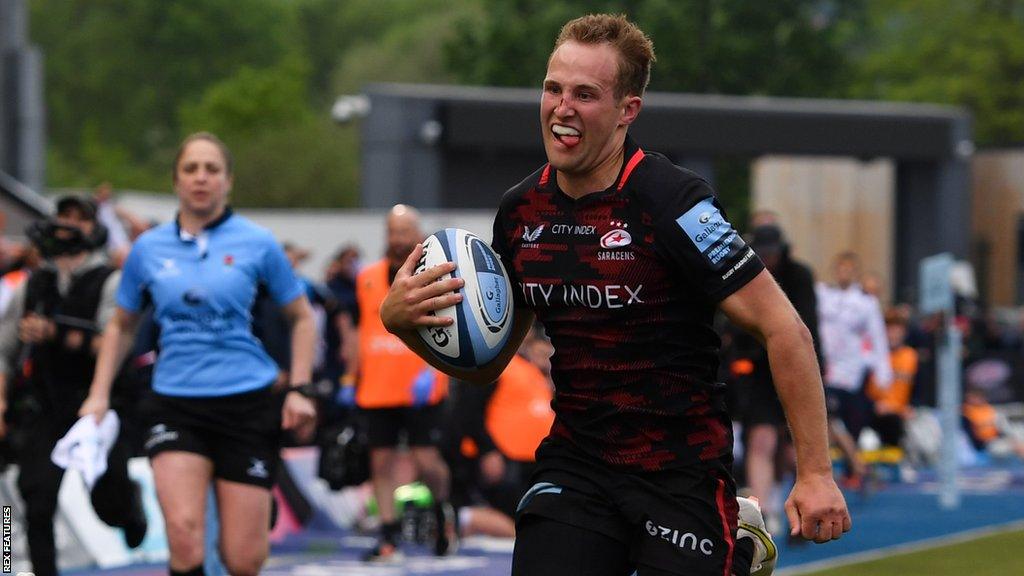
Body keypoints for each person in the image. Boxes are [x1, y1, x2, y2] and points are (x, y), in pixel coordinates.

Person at [380, 14, 849, 576]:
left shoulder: (674, 202)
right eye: (553, 88)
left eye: (585, 94)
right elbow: (489, 365)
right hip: (576, 468)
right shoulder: (521, 212)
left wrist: (817, 473)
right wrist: (402, 322)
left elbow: (784, 329)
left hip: (679, 473)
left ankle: (735, 539)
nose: (562, 107)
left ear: (628, 110)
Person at [85, 132, 318, 576]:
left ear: (228, 181)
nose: (201, 178)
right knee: (186, 538)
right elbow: (121, 324)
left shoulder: (259, 243)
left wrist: (301, 388)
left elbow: (302, 318)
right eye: (191, 169)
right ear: (176, 181)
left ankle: (252, 513)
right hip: (174, 403)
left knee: (242, 560)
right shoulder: (148, 249)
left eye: (212, 169)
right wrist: (98, 395)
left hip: (247, 406)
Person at [0, 195, 147, 576]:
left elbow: (112, 344)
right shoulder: (34, 283)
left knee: (109, 503)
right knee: (36, 495)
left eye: (77, 218)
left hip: (100, 404)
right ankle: (32, 568)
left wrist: (56, 333)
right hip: (47, 404)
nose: (67, 225)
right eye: (62, 216)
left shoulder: (110, 280)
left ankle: (131, 507)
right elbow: (5, 349)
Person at [342, 204, 456, 562]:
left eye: (404, 232)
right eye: (393, 232)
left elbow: (450, 325)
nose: (398, 239)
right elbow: (362, 330)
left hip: (419, 385)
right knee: (380, 462)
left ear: (417, 236)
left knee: (426, 461)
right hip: (378, 386)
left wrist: (435, 371)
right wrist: (350, 376)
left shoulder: (434, 275)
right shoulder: (368, 277)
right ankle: (388, 535)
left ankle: (441, 512)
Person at [732, 222, 822, 534]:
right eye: (763, 253)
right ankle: (764, 511)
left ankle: (787, 500)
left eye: (771, 252)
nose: (768, 258)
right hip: (759, 370)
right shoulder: (744, 271)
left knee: (789, 447)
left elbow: (805, 329)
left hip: (794, 366)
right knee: (761, 439)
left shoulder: (798, 277)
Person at [865, 308, 918, 448]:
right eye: (890, 330)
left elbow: (919, 388)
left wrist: (912, 406)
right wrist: (873, 406)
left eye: (897, 330)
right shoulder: (873, 356)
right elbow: (862, 388)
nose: (893, 335)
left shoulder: (910, 356)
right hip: (876, 412)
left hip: (901, 413)